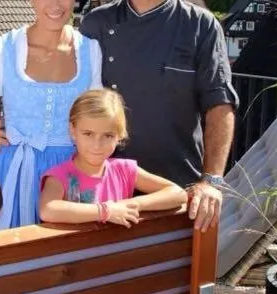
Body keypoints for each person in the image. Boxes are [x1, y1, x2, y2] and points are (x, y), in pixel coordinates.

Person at [78, 0, 238, 232]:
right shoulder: (97, 23)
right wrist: (9, 122)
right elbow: (67, 87)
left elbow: (220, 104)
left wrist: (212, 181)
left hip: (177, 193)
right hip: (103, 191)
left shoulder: (200, 26)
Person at [0, 0, 102, 230]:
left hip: (69, 177)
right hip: (11, 171)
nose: (55, 5)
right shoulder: (1, 48)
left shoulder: (91, 51)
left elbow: (97, 123)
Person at [39, 89, 187, 226]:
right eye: (88, 134)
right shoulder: (58, 176)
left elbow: (178, 194)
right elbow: (47, 210)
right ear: (73, 130)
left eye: (108, 135)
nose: (97, 145)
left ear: (120, 136)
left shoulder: (124, 170)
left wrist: (133, 205)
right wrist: (105, 211)